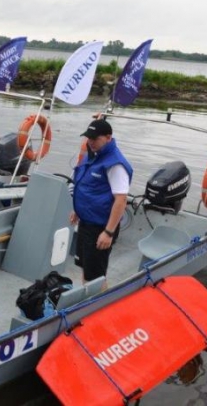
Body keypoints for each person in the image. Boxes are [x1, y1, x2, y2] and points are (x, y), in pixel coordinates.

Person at [69, 118, 132, 288]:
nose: (91, 142)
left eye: (95, 139)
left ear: (108, 138)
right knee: (85, 268)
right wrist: (77, 210)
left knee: (95, 278)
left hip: (100, 227)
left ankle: (99, 307)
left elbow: (121, 200)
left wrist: (108, 233)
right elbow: (87, 187)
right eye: (89, 138)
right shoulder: (94, 156)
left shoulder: (115, 164)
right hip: (86, 222)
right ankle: (87, 302)